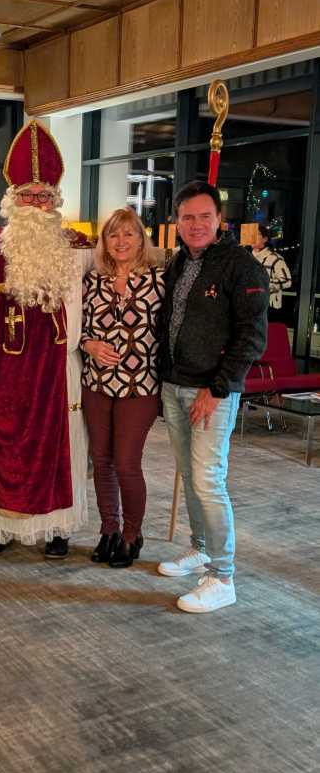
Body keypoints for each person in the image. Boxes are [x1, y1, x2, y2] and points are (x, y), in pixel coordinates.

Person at [0, 119, 90, 559]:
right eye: (28, 195)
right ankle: (0, 528)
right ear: (12, 199)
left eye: (44, 196)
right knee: (2, 447)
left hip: (58, 370)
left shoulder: (76, 246)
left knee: (63, 446)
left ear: (55, 202)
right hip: (6, 370)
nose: (36, 203)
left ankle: (58, 529)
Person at [158, 180, 268, 612]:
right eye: (188, 217)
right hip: (174, 386)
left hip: (212, 393)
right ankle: (200, 548)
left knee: (208, 480)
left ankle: (222, 576)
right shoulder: (178, 263)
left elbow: (252, 336)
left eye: (205, 216)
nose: (197, 224)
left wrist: (219, 388)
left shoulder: (241, 266)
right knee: (189, 476)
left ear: (220, 219)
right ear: (177, 223)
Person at [82, 208, 164, 567]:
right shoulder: (93, 279)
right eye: (113, 234)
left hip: (140, 385)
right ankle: (109, 530)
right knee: (101, 461)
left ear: (141, 239)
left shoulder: (159, 280)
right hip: (96, 383)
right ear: (104, 241)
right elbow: (77, 327)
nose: (121, 241)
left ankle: (132, 534)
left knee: (126, 462)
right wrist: (89, 345)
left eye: (129, 233)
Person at [252, 223, 292, 319]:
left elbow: (287, 281)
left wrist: (264, 285)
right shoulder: (245, 258)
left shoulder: (275, 258)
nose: (252, 237)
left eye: (257, 234)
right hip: (249, 304)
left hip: (268, 306)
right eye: (251, 234)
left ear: (265, 239)